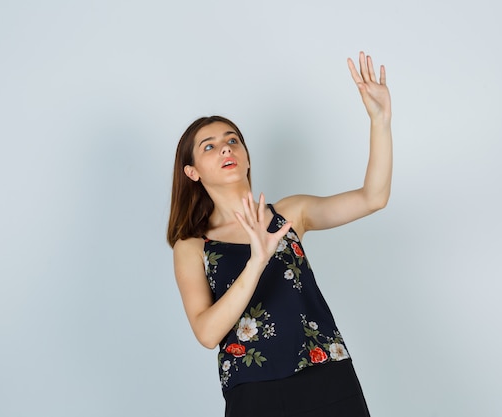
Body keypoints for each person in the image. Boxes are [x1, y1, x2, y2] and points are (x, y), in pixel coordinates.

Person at [167, 51, 392, 417]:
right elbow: (207, 333)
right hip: (255, 392)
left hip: (327, 376)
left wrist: (380, 121)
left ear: (247, 157)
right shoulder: (193, 246)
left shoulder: (289, 214)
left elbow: (373, 198)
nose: (226, 147)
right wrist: (257, 261)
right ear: (193, 172)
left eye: (233, 140)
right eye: (209, 146)